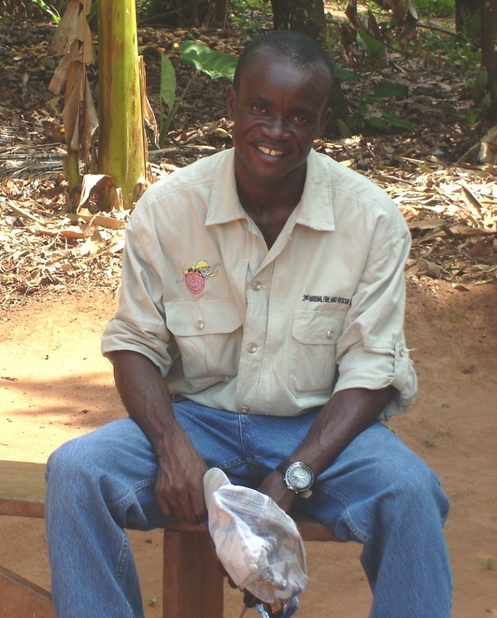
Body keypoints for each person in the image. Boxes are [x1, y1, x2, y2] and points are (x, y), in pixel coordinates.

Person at [45, 30, 452, 617]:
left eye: (297, 116)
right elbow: (134, 344)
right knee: (76, 471)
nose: (276, 131)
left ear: (320, 124)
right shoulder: (169, 209)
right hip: (197, 421)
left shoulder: (371, 221)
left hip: (315, 430)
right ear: (232, 105)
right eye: (260, 108)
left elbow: (373, 371)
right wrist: (171, 444)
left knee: (411, 494)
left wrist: (294, 476)